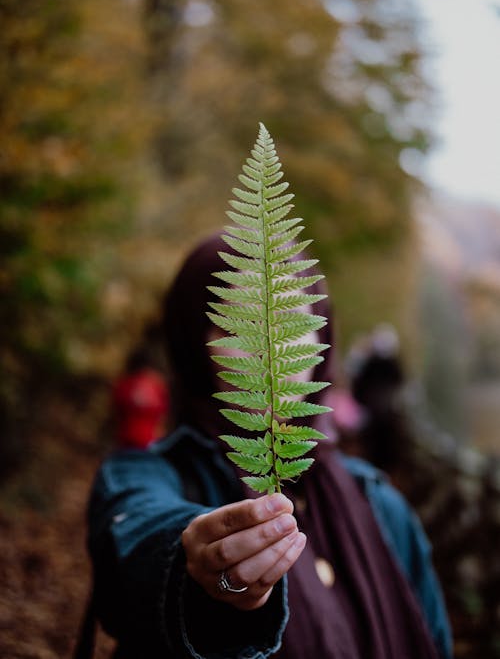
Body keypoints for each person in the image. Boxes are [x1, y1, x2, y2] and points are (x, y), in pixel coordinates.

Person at [83, 234, 452, 659]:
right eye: (240, 322)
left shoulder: (382, 505)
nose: (270, 347)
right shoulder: (142, 476)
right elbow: (134, 548)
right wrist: (203, 574)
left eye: (293, 320)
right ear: (193, 342)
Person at [111, 346, 170, 449]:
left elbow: (116, 415)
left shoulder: (122, 384)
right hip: (151, 444)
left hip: (126, 443)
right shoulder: (157, 385)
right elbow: (163, 418)